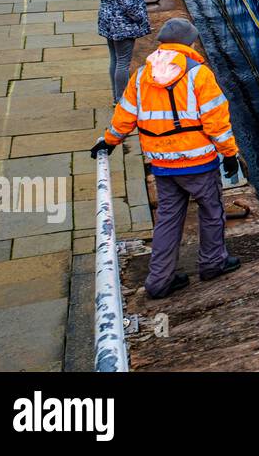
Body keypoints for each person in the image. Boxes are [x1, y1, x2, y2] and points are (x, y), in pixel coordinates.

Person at [91, 17, 240, 299]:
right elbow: (215, 121)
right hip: (198, 163)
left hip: (162, 163)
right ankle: (212, 263)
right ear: (189, 43)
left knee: (169, 220)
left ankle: (159, 280)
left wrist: (109, 142)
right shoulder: (199, 75)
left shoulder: (141, 76)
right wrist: (230, 153)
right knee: (211, 212)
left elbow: (125, 115)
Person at [97, 0, 151, 100]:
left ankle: (116, 96)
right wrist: (140, 17)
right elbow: (129, 4)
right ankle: (122, 100)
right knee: (123, 62)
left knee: (115, 58)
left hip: (107, 19)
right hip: (122, 24)